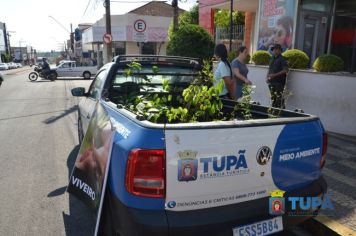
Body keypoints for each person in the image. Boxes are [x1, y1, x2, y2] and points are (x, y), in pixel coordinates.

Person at [266, 43, 289, 108]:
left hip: (279, 82)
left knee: (279, 99)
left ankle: (281, 114)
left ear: (280, 50)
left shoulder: (283, 59)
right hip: (271, 81)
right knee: (273, 99)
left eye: (276, 49)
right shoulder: (272, 58)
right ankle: (273, 114)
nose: (275, 51)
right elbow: (270, 68)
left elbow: (286, 70)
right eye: (273, 49)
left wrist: (274, 75)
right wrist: (267, 77)